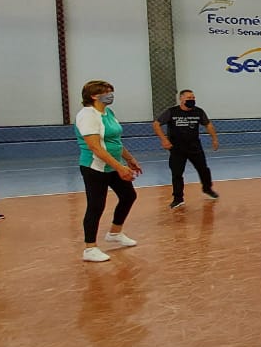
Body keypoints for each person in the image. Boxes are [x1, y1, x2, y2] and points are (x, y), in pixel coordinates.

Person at [75, 80, 142, 262]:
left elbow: (115, 141)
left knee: (128, 196)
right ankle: (90, 249)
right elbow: (95, 147)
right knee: (96, 205)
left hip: (113, 164)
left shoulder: (108, 112)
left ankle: (114, 233)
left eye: (111, 91)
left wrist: (129, 159)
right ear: (93, 95)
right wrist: (120, 167)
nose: (110, 94)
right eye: (106, 91)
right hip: (95, 167)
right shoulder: (87, 115)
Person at [152, 89, 220, 209]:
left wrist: (214, 139)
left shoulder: (198, 112)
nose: (192, 100)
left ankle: (207, 188)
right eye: (189, 98)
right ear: (181, 99)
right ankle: (178, 198)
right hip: (177, 148)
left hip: (194, 147)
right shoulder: (172, 112)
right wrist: (164, 139)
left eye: (193, 98)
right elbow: (156, 124)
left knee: (203, 169)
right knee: (177, 173)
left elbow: (208, 124)